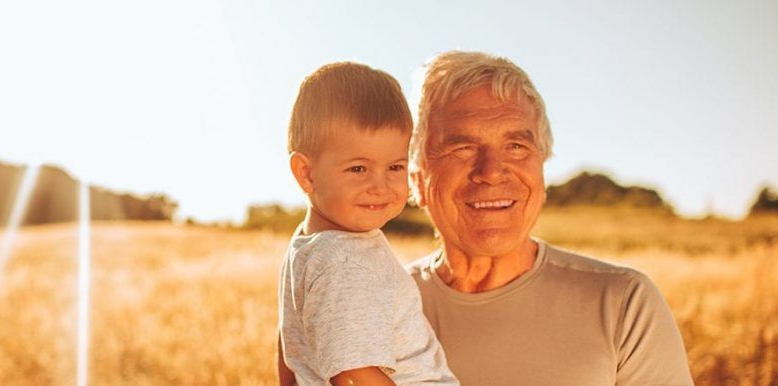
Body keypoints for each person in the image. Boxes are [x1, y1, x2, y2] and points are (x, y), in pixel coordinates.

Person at [404, 50, 693, 385]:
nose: (492, 172)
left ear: (541, 169)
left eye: (516, 147)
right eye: (462, 148)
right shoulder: (372, 307)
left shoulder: (623, 304)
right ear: (416, 178)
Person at [277, 62, 459, 386]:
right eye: (358, 169)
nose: (381, 186)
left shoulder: (307, 245)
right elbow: (355, 374)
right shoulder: (347, 261)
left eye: (394, 166)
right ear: (306, 173)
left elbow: (289, 344)